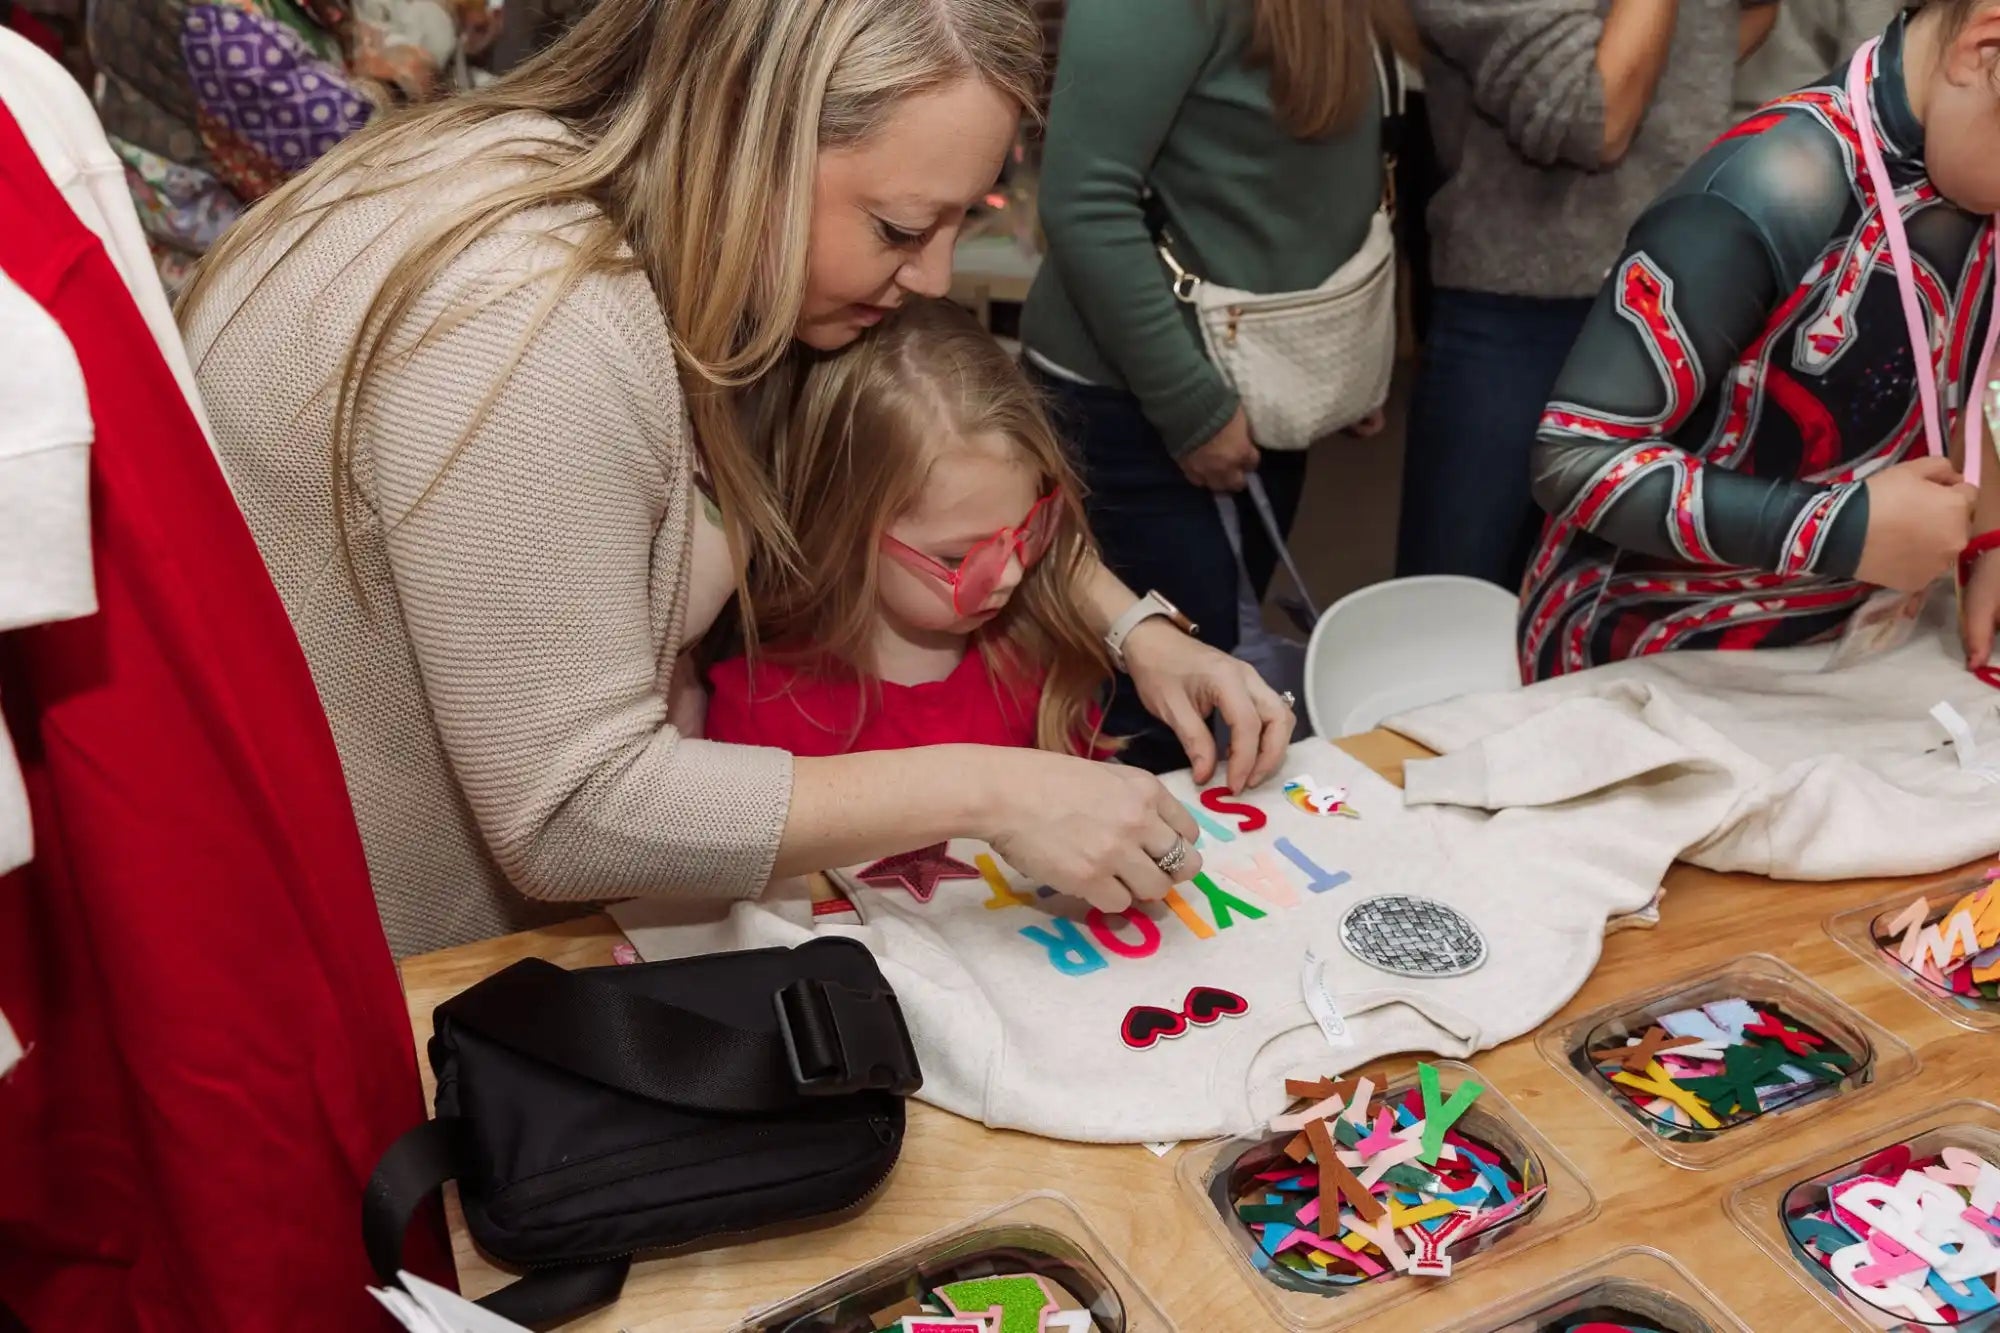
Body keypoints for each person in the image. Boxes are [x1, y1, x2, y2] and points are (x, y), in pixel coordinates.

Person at [179, 0, 1295, 959]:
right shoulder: (527, 322)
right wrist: (998, 789)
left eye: (968, 218)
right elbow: (570, 806)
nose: (938, 274)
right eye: (902, 226)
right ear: (743, 139)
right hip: (325, 953)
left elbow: (957, 486)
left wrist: (1133, 628)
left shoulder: (684, 233)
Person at [1520, 0, 2000, 681]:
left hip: (1835, 648)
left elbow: (1971, 365)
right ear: (1984, 49)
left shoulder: (1969, 156)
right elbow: (1575, 456)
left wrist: (1987, 537)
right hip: (1645, 659)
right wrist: (1839, 529)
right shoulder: (1770, 185)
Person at [1019, 0, 1410, 772]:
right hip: (1144, 399)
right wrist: (1190, 410)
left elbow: (1315, 178)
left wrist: (1347, 359)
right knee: (1157, 716)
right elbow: (1084, 202)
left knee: (1212, 671)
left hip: (1261, 374)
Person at [1395, 0, 1774, 588]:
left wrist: (1672, 96)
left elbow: (1752, 12)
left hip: (1669, 289)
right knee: (1452, 614)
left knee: (1604, 609)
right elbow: (1594, 118)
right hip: (1520, 307)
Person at [706, 301, 1119, 793]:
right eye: (957, 557)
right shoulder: (762, 711)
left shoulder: (1040, 668)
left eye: (1026, 532)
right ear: (845, 531)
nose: (1010, 575)